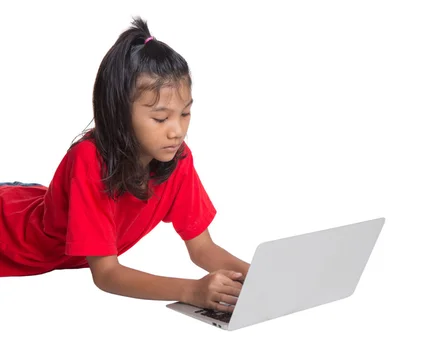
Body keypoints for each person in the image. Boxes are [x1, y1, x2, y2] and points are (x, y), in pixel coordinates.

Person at [0, 17, 248, 314]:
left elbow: (203, 249)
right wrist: (193, 290)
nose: (177, 130)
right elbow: (106, 274)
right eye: (160, 118)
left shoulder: (177, 157)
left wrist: (263, 279)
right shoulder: (88, 159)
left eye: (185, 114)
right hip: (9, 235)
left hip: (34, 204)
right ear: (118, 113)